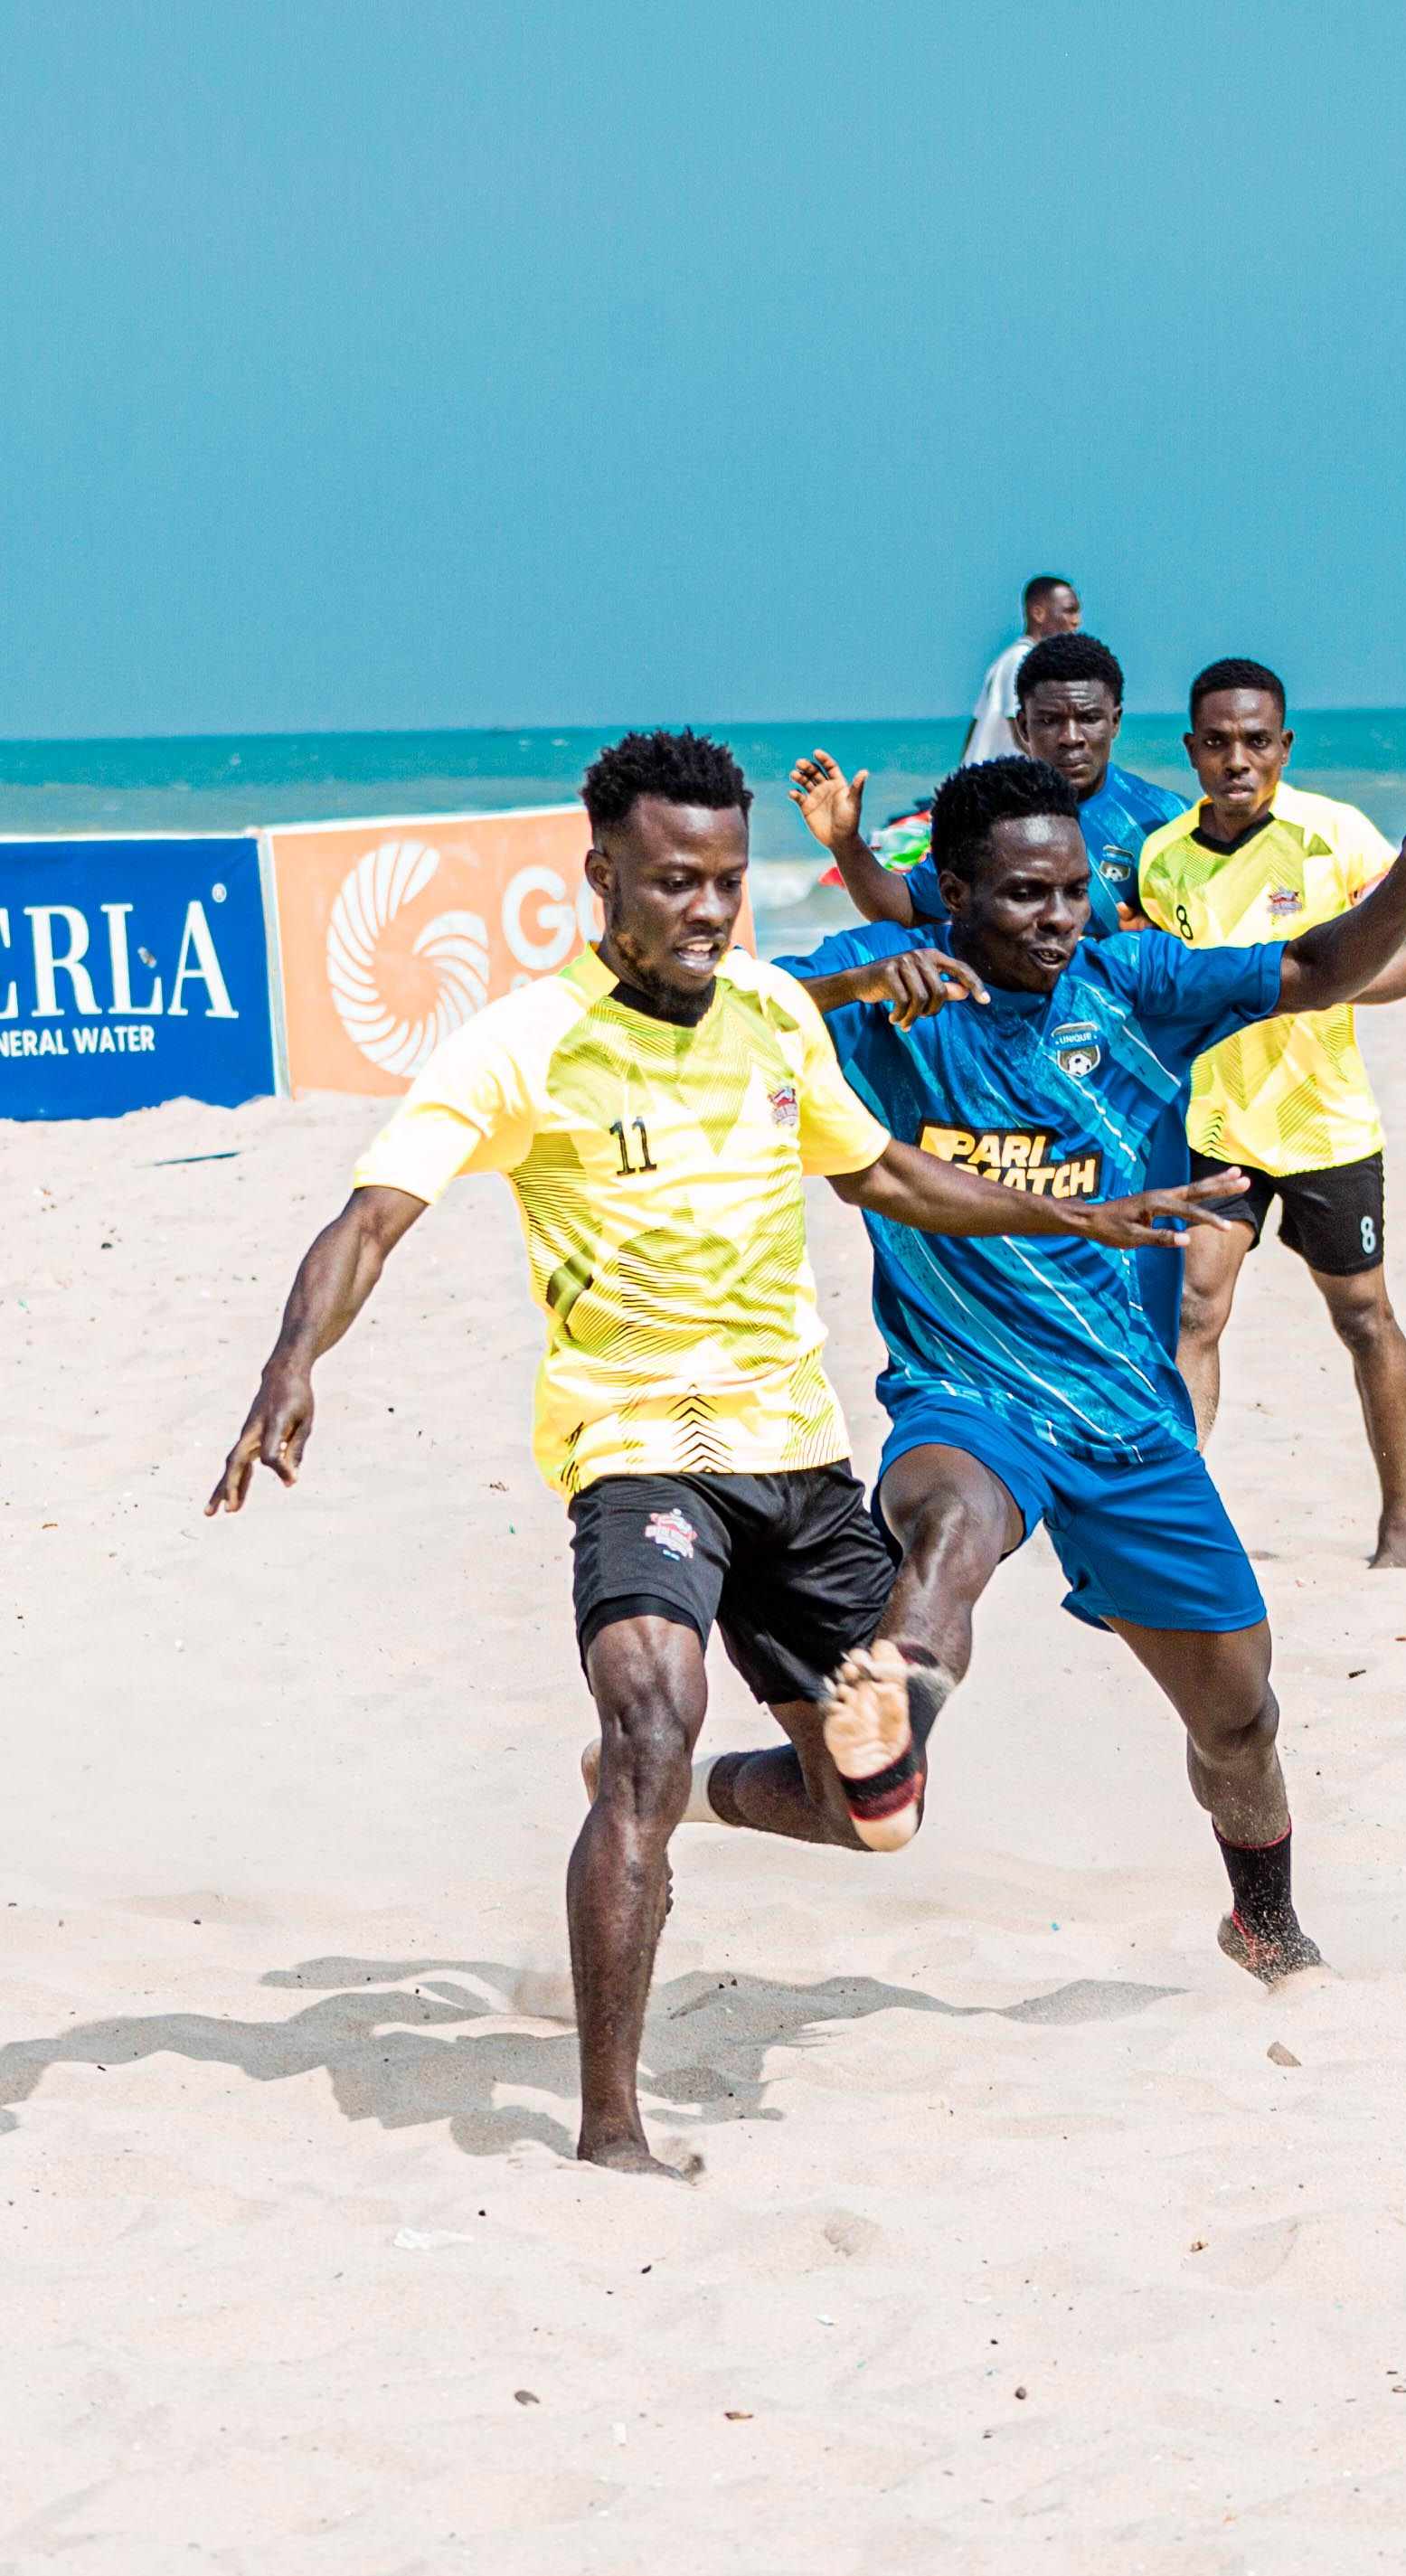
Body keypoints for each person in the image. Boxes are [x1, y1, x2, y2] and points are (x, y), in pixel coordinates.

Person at [205, 730, 1235, 2181]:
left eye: (728, 881)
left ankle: (701, 1789)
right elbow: (373, 1215)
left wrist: (1070, 1219)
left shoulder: (766, 1012)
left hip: (797, 1463)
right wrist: (291, 1360)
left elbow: (874, 1167)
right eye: (673, 880)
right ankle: (609, 2123)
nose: (704, 909)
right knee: (648, 1716)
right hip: (636, 1450)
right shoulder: (520, 1042)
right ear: (601, 876)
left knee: (874, 1812)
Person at [676, 755, 1406, 1986]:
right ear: (948, 890)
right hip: (966, 1395)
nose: (1055, 919)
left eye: (1068, 892)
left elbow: (1320, 967)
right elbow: (703, 1003)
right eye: (1020, 896)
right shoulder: (879, 1003)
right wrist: (849, 974)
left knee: (1238, 1716)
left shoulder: (1130, 983)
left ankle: (1261, 1922)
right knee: (948, 1523)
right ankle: (887, 1708)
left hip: (1126, 1421)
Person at [1135, 660, 1406, 1571]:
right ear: (1192, 750)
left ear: (1283, 747)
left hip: (1323, 1124)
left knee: (1362, 1317)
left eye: (1256, 741)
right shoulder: (1163, 859)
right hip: (1215, 1122)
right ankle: (1177, 1522)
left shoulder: (1335, 836)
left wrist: (1295, 994)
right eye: (1218, 742)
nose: (1238, 759)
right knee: (1193, 1310)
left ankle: (1401, 1520)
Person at [799, 631, 1185, 941]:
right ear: (1022, 728)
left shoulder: (1168, 820)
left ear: (1115, 722)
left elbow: (1217, 941)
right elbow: (906, 908)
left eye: (1089, 718)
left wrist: (1161, 941)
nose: (1071, 737)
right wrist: (846, 843)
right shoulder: (988, 818)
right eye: (1050, 720)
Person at [961, 574, 1081, 763]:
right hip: (998, 786)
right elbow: (1022, 734)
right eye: (1069, 611)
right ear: (1038, 614)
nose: (1076, 621)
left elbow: (974, 729)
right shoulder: (1021, 660)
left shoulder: (1013, 659)